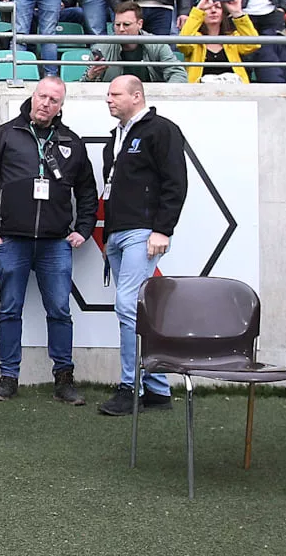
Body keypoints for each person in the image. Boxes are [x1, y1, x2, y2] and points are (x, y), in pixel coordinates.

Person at [0, 76, 96, 406]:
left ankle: (64, 380)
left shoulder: (71, 141)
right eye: (42, 96)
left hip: (55, 243)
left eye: (54, 100)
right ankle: (8, 377)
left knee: (59, 310)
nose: (46, 103)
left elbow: (87, 192)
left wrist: (83, 228)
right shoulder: (6, 135)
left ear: (60, 106)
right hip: (11, 240)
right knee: (10, 309)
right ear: (33, 96)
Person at [96, 75, 187, 417]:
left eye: (115, 94)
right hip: (119, 234)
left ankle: (130, 386)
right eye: (108, 94)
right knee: (137, 309)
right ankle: (158, 389)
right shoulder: (116, 136)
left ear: (136, 96)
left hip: (143, 232)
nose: (109, 99)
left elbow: (175, 182)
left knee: (127, 306)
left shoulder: (160, 130)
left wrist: (162, 229)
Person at [85, 2, 188, 83]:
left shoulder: (157, 44)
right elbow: (83, 87)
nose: (121, 29)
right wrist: (90, 76)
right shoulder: (101, 48)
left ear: (140, 24)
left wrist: (165, 96)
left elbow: (178, 73)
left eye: (126, 24)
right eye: (117, 25)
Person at [178, 0, 259, 83]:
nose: (213, 11)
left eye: (218, 7)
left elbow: (253, 44)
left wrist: (237, 12)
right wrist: (198, 9)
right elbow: (183, 44)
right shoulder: (195, 39)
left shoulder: (232, 38)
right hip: (201, 92)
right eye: (207, 8)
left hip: (233, 91)